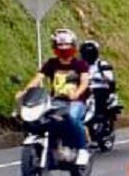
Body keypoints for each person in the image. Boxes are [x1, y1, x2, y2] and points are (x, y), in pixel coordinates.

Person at [16, 28, 91, 165]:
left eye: (66, 44)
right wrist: (25, 91)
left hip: (75, 102)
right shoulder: (51, 63)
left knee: (72, 118)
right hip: (54, 101)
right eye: (60, 45)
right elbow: (38, 78)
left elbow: (85, 82)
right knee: (42, 119)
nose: (63, 47)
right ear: (55, 47)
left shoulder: (80, 64)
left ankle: (82, 150)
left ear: (73, 45)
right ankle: (53, 148)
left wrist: (76, 94)